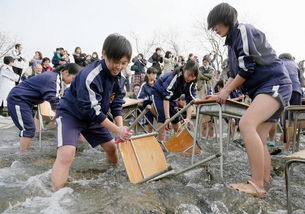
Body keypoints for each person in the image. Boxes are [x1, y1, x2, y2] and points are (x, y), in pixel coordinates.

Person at [207, 3, 292, 198]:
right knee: (260, 136)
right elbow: (235, 74)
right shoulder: (230, 43)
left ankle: (256, 184)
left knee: (246, 124)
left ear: (225, 19)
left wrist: (226, 92)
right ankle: (264, 181)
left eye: (215, 25)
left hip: (274, 83)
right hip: (266, 88)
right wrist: (221, 93)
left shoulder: (242, 30)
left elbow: (248, 68)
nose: (215, 29)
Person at [51, 33, 133, 191]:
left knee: (111, 148)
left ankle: (110, 177)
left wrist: (121, 128)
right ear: (104, 54)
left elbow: (117, 103)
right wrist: (117, 130)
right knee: (67, 153)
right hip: (71, 114)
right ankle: (56, 198)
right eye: (115, 61)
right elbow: (92, 111)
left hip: (93, 118)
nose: (118, 66)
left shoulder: (120, 77)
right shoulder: (90, 75)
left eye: (123, 63)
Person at [7, 63, 80, 151]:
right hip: (18, 99)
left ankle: (24, 150)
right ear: (66, 72)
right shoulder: (53, 78)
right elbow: (54, 101)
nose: (73, 81)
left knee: (29, 129)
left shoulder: (56, 77)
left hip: (26, 102)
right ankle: (22, 155)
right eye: (73, 78)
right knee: (28, 129)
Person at [151, 59, 197, 144]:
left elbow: (190, 102)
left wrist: (188, 118)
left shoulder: (192, 83)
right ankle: (161, 142)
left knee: (176, 116)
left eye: (193, 76)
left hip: (171, 97)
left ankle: (181, 140)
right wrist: (168, 118)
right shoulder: (174, 77)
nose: (190, 78)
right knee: (163, 116)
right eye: (189, 75)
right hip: (159, 94)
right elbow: (166, 97)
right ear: (184, 69)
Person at [137, 67, 158, 132]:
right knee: (149, 125)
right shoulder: (144, 85)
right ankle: (149, 135)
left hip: (157, 106)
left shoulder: (158, 83)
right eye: (153, 74)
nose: (155, 75)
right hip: (147, 107)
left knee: (161, 123)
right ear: (148, 74)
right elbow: (139, 97)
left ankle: (160, 139)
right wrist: (147, 98)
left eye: (155, 74)